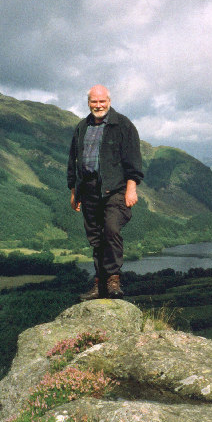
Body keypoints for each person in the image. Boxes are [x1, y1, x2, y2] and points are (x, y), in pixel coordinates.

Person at [67, 85, 143, 300]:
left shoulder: (123, 125)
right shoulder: (82, 127)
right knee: (96, 237)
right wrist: (74, 190)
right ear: (88, 102)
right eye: (94, 101)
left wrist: (131, 188)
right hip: (88, 189)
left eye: (102, 101)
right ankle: (100, 284)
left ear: (109, 101)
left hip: (115, 188)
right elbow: (73, 160)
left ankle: (113, 280)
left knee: (111, 229)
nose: (98, 105)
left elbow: (133, 160)